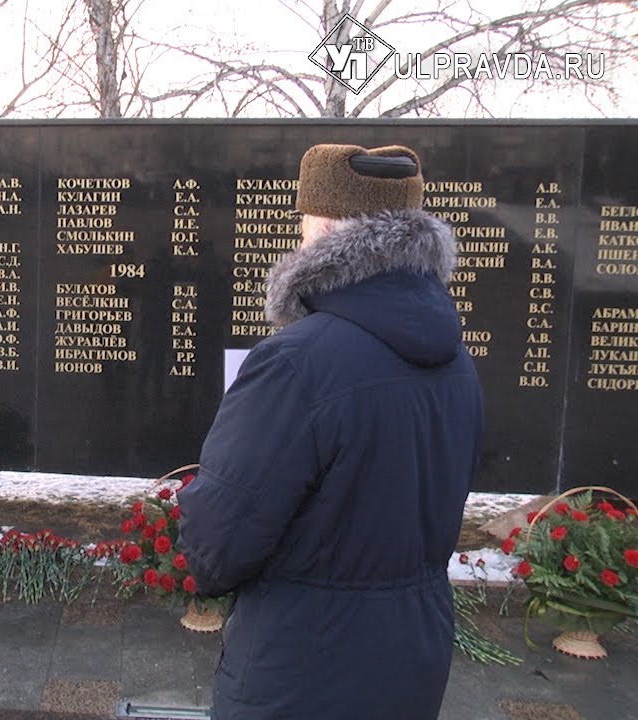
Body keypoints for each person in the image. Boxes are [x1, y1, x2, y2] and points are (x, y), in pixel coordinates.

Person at [177, 143, 484, 720]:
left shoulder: (295, 362)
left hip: (302, 668)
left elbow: (217, 546)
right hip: (414, 657)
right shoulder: (456, 361)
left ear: (322, 226)